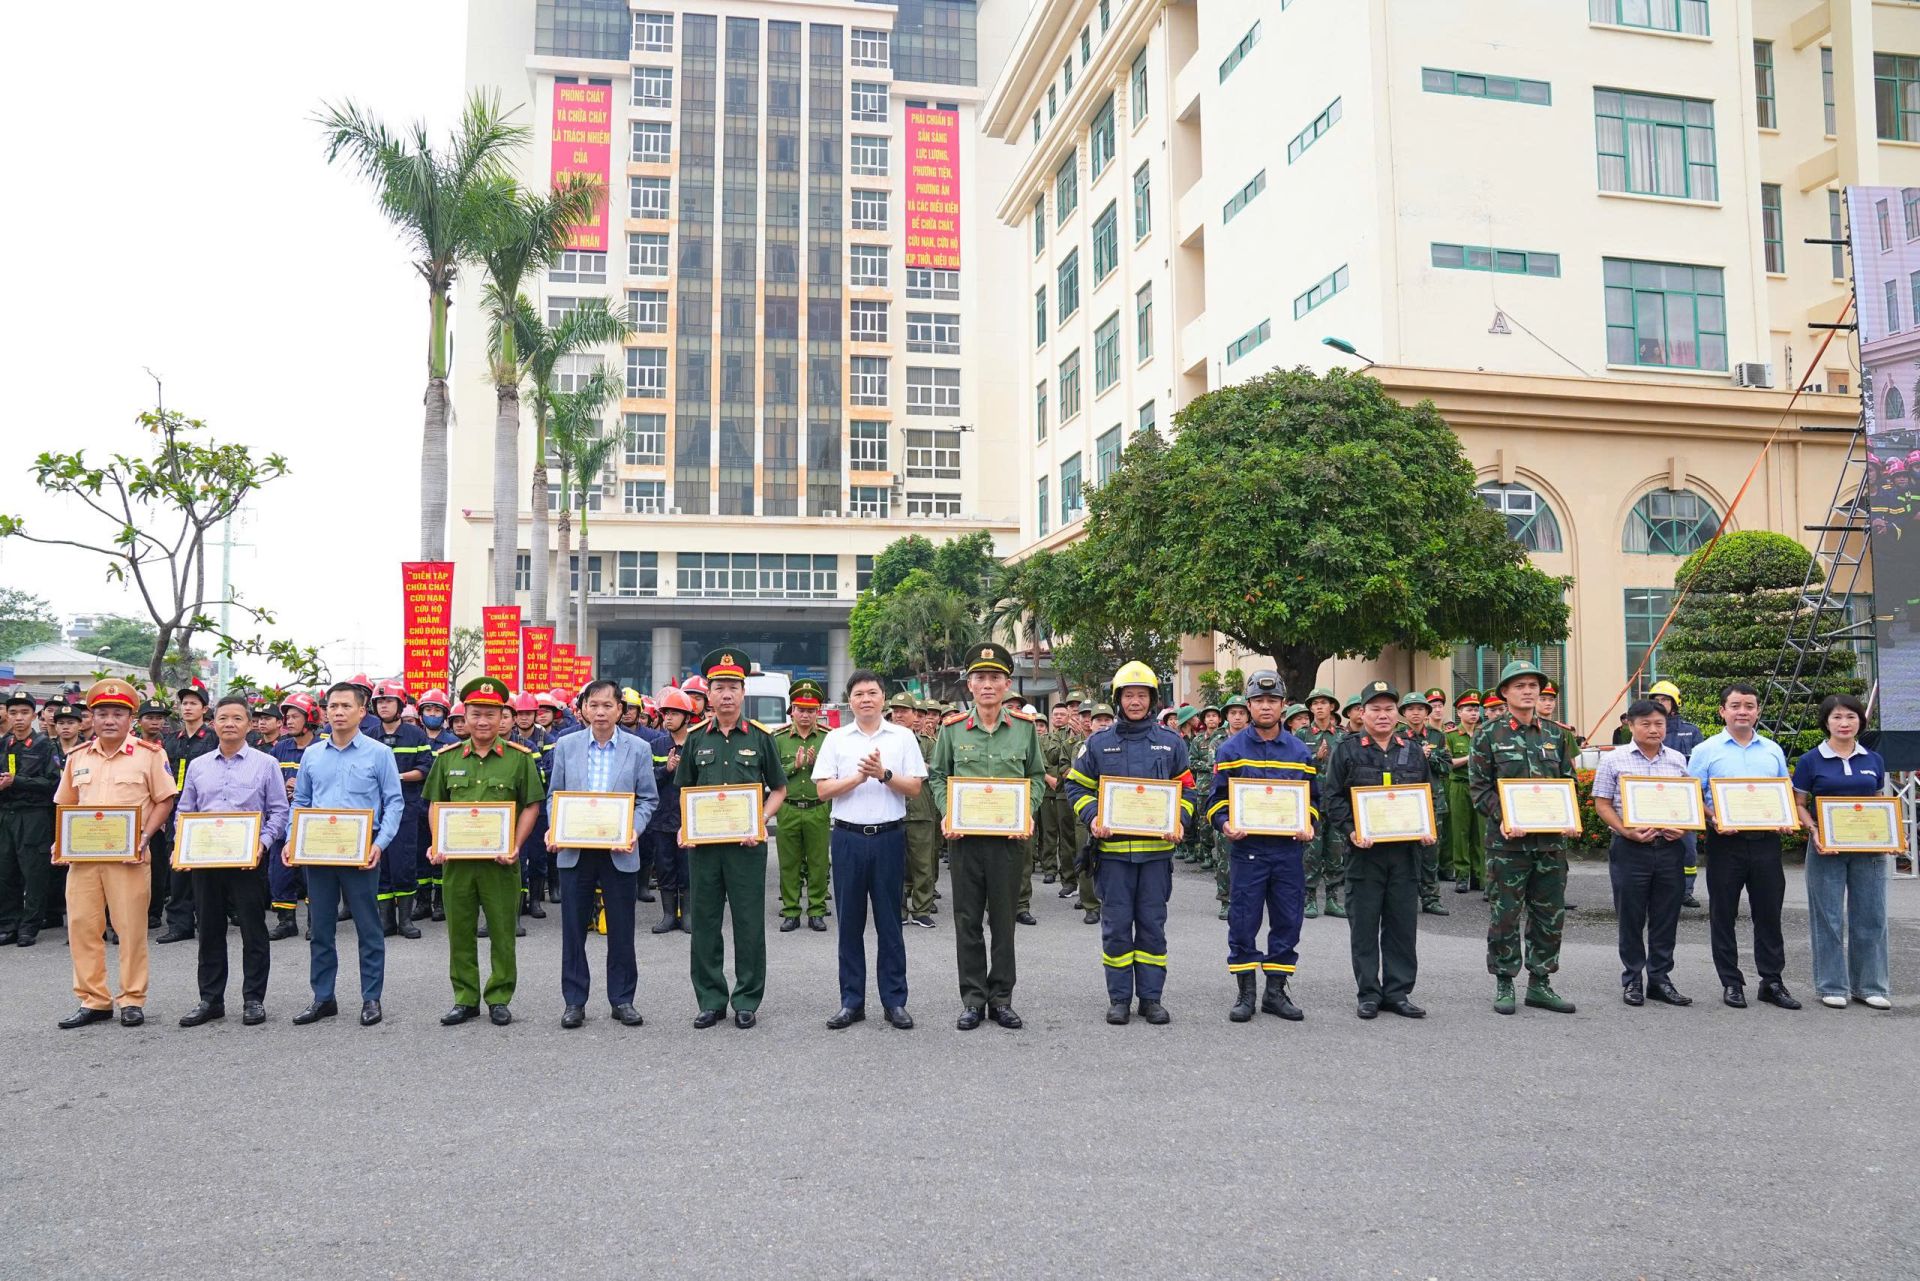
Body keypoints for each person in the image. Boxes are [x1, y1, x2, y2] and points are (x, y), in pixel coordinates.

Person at [1065, 661, 1194, 1026]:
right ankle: (1119, 998)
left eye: (1142, 695)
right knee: (1117, 927)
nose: (1135, 701)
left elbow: (1187, 790)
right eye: (1128, 695)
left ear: (1152, 699)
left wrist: (1179, 820)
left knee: (1152, 926)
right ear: (1118, 699)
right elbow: (1076, 786)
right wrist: (1093, 817)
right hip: (1114, 856)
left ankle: (1151, 999)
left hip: (1155, 857)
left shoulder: (1171, 744)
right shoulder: (1098, 743)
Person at [928, 642, 1046, 1031]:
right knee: (966, 921)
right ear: (970, 685)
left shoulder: (1025, 731)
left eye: (995, 677)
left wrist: (1027, 812)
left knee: (1004, 921)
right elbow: (938, 776)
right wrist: (948, 812)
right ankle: (973, 999)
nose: (988, 684)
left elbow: (1035, 778)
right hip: (965, 840)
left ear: (1007, 683)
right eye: (980, 677)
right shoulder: (952, 730)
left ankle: (1002, 999)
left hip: (1009, 843)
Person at [52, 679, 178, 1028]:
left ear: (130, 718)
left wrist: (145, 835)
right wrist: (59, 841)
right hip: (84, 860)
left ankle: (132, 998)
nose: (110, 720)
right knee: (82, 927)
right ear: (90, 718)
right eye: (102, 713)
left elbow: (164, 799)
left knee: (130, 929)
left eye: (118, 714)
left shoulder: (150, 754)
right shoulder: (77, 757)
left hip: (129, 857)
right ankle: (94, 1000)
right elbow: (66, 805)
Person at [423, 676, 546, 1027]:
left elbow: (531, 807)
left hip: (500, 863)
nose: (482, 721)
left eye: (491, 714)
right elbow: (436, 804)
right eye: (476, 713)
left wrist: (516, 846)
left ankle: (499, 996)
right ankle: (465, 998)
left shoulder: (519, 759)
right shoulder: (446, 759)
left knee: (503, 932)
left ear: (502, 717)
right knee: (459, 931)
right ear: (464, 715)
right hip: (457, 864)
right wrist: (437, 842)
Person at [675, 649, 786, 1029]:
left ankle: (746, 1000)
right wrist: (684, 826)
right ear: (708, 693)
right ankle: (710, 999)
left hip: (747, 849)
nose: (726, 694)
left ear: (743, 693)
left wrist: (761, 819)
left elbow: (779, 790)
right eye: (719, 687)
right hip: (704, 849)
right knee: (705, 923)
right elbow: (685, 789)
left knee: (749, 924)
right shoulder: (694, 740)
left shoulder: (760, 738)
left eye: (733, 687)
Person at [813, 669, 927, 1030]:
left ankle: (895, 1001)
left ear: (883, 698)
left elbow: (914, 789)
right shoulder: (836, 739)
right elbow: (823, 791)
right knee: (849, 924)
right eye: (859, 693)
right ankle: (852, 1002)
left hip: (889, 838)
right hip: (846, 838)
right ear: (850, 700)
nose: (866, 698)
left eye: (872, 692)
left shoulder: (903, 737)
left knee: (890, 923)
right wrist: (859, 777)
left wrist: (883, 774)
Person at [289, 681, 405, 1028]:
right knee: (320, 927)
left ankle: (371, 997)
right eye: (332, 706)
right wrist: (291, 839)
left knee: (368, 928)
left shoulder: (378, 753)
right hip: (319, 852)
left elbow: (394, 803)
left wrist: (379, 844)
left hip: (360, 852)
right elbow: (302, 802)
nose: (337, 712)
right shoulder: (312, 754)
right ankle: (323, 997)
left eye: (345, 706)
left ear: (361, 711)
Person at [1469, 660, 1579, 1016]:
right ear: (1505, 692)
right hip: (1507, 844)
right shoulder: (1487, 734)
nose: (1529, 691)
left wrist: (1569, 816)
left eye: (1533, 685)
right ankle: (1504, 980)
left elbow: (1568, 782)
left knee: (1549, 915)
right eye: (1520, 686)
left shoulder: (1556, 735)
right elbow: (1480, 789)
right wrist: (1504, 817)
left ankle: (1540, 983)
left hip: (1550, 843)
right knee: (1505, 914)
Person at [548, 679, 660, 1028]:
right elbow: (554, 796)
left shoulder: (638, 749)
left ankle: (622, 999)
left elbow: (648, 799)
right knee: (573, 930)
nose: (600, 712)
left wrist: (633, 830)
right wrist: (557, 825)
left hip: (619, 850)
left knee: (622, 929)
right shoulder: (565, 746)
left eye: (607, 705)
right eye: (593, 705)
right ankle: (574, 1001)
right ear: (582, 708)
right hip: (576, 851)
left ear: (620, 710)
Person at [1206, 670, 1314, 1023]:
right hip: (1248, 851)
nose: (1265, 707)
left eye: (1272, 701)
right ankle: (1245, 993)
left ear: (1283, 706)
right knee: (1242, 921)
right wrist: (1225, 824)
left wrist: (1309, 823)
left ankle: (1275, 992)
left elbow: (1315, 800)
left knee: (1288, 921)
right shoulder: (1230, 749)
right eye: (1259, 701)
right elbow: (1216, 799)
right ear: (1249, 705)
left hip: (1287, 852)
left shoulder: (1300, 751)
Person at [175, 694, 290, 1027]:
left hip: (247, 860)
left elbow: (279, 811)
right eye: (223, 718)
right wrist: (182, 846)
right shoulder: (198, 765)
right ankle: (210, 999)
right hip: (205, 860)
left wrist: (263, 844)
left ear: (249, 724)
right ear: (213, 723)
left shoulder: (265, 763)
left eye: (237, 718)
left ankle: (253, 999)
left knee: (253, 930)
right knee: (209, 929)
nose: (229, 724)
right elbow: (185, 811)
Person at [1687, 682, 1802, 1010]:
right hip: (1726, 843)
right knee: (1723, 914)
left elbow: (1784, 792)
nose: (1742, 712)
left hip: (1767, 842)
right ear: (1722, 711)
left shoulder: (1772, 750)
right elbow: (1692, 794)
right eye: (1735, 706)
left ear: (1757, 711)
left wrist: (1785, 816)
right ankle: (1731, 981)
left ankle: (1772, 981)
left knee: (1769, 913)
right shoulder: (1706, 751)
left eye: (1749, 706)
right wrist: (1715, 817)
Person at [1324, 681, 1435, 1019]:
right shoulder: (1347, 749)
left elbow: (1429, 793)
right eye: (1375, 709)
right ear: (1362, 713)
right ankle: (1369, 993)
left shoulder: (1413, 750)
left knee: (1402, 925)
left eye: (1389, 709)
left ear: (1396, 714)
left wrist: (1428, 827)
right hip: (1364, 852)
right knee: (1364, 924)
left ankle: (1398, 993)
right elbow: (1332, 798)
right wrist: (1352, 830)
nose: (1383, 715)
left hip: (1404, 852)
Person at [1792, 693, 1892, 1010]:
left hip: (1868, 850)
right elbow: (1799, 805)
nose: (1844, 723)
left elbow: (1877, 801)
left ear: (1861, 720)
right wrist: (1815, 831)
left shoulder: (1873, 759)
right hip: (1825, 848)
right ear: (1826, 722)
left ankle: (1869, 985)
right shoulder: (1811, 760)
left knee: (1872, 917)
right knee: (1828, 918)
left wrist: (1888, 834)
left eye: (1850, 716)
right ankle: (1832, 985)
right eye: (1836, 717)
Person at [1590, 699, 1692, 1008]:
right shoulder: (1614, 760)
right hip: (1630, 848)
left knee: (1666, 916)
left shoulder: (1676, 760)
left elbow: (1684, 802)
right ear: (1630, 726)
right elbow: (1602, 803)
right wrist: (1624, 830)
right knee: (1631, 916)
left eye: (1659, 724)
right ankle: (1632, 978)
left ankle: (1660, 979)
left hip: (1669, 848)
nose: (1653, 729)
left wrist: (1683, 828)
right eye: (1645, 724)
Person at [155, 680, 218, 943]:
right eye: (184, 703)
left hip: (205, 811)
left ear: (204, 708)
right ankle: (179, 924)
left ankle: (209, 921)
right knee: (178, 869)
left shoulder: (213, 739)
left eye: (193, 703)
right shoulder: (170, 741)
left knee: (206, 871)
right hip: (176, 810)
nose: (187, 708)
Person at [0, 691, 60, 947]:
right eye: (13, 713)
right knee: (6, 870)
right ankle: (8, 924)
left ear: (34, 716)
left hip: (34, 816)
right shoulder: (3, 744)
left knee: (33, 872)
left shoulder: (45, 745)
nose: (19, 718)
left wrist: (18, 781)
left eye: (24, 713)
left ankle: (29, 926)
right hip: (6, 815)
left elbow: (53, 782)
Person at [370, 680, 428, 939]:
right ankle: (386, 921)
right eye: (380, 702)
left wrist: (397, 777)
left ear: (399, 705)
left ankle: (405, 920)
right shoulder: (369, 735)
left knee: (404, 863)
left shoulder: (416, 735)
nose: (384, 705)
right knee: (379, 863)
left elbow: (426, 769)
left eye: (389, 701)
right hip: (376, 811)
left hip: (406, 809)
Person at [773, 680, 832, 933]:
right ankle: (791, 911)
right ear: (792, 711)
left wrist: (819, 765)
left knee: (819, 863)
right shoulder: (778, 739)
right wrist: (793, 767)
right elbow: (771, 777)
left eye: (810, 710)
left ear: (817, 711)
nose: (805, 715)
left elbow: (837, 774)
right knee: (789, 863)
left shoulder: (829, 739)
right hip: (788, 807)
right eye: (800, 709)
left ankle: (817, 911)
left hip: (818, 808)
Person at [1648, 680, 1706, 908]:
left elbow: (1697, 769)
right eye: (1656, 700)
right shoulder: (1645, 729)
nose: (1660, 703)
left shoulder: (1691, 731)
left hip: (1682, 803)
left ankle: (1686, 890)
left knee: (1687, 850)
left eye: (1664, 699)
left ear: (1675, 703)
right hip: (1652, 800)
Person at [267, 694, 318, 940]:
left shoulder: (321, 748)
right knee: (280, 872)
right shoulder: (280, 748)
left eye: (295, 716)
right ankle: (286, 922)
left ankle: (314, 921)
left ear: (310, 719)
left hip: (310, 820)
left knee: (311, 873)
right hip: (282, 819)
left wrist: (304, 786)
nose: (289, 721)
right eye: (287, 716)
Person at [647, 687, 695, 934]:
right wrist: (665, 769)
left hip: (689, 819)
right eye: (665, 713)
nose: (667, 718)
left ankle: (687, 915)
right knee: (664, 866)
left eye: (674, 713)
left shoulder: (697, 743)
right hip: (661, 818)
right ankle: (668, 915)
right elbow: (645, 781)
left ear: (687, 717)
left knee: (687, 868)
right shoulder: (655, 745)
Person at [1399, 691, 1451, 917]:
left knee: (1431, 853)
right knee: (1406, 853)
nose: (1415, 713)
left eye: (1420, 709)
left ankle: (1431, 898)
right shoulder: (1397, 736)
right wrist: (1415, 755)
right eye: (1411, 709)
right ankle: (1407, 898)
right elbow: (1395, 767)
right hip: (1407, 802)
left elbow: (1447, 767)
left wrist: (1431, 757)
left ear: (1427, 712)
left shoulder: (1438, 736)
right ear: (1404, 713)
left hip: (1433, 799)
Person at [894, 693, 941, 929]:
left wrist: (916, 766)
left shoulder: (929, 743)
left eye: (905, 710)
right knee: (896, 865)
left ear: (916, 716)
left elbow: (938, 771)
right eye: (896, 710)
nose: (899, 714)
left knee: (923, 864)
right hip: (892, 811)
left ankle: (922, 909)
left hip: (922, 811)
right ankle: (900, 909)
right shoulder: (884, 741)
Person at [1300, 687, 1346, 919]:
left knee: (1335, 852)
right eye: (1315, 703)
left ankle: (1332, 898)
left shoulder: (1342, 736)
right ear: (1310, 708)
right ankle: (1309, 898)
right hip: (1312, 803)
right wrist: (1314, 759)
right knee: (1311, 853)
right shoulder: (1301, 735)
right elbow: (1295, 768)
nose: (1319, 707)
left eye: (1324, 703)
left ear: (1332, 707)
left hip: (1336, 804)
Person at [1037, 701, 1078, 890]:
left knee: (1076, 837)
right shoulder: (1048, 738)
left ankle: (1082, 879)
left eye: (1064, 714)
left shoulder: (1082, 734)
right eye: (1056, 715)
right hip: (1053, 790)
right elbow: (1048, 758)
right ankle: (1054, 871)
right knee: (1052, 832)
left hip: (1072, 790)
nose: (1060, 717)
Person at [1446, 692, 1484, 893]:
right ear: (1459, 712)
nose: (1473, 713)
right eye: (1469, 709)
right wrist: (1471, 757)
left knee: (1480, 832)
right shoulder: (1451, 736)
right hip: (1460, 785)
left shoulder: (1483, 734)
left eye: (1476, 709)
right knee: (1460, 831)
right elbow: (1449, 762)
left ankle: (1480, 876)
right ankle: (1462, 875)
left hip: (1480, 787)